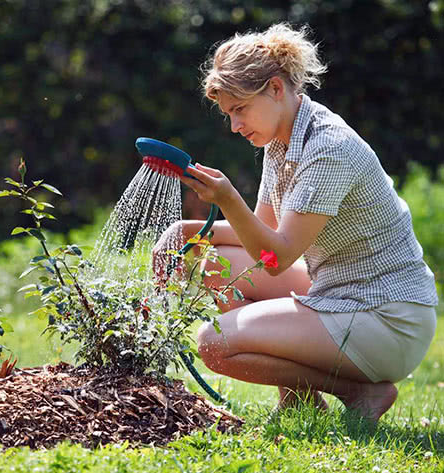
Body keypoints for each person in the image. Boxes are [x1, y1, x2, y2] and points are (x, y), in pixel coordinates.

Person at [154, 23, 439, 423]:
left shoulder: (328, 149)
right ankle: (299, 399)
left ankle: (358, 391)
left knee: (215, 344)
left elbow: (275, 257)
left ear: (275, 88)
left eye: (240, 110)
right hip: (338, 292)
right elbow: (262, 235)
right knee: (215, 261)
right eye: (228, 114)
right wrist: (184, 232)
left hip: (387, 318)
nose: (235, 126)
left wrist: (227, 198)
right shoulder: (281, 141)